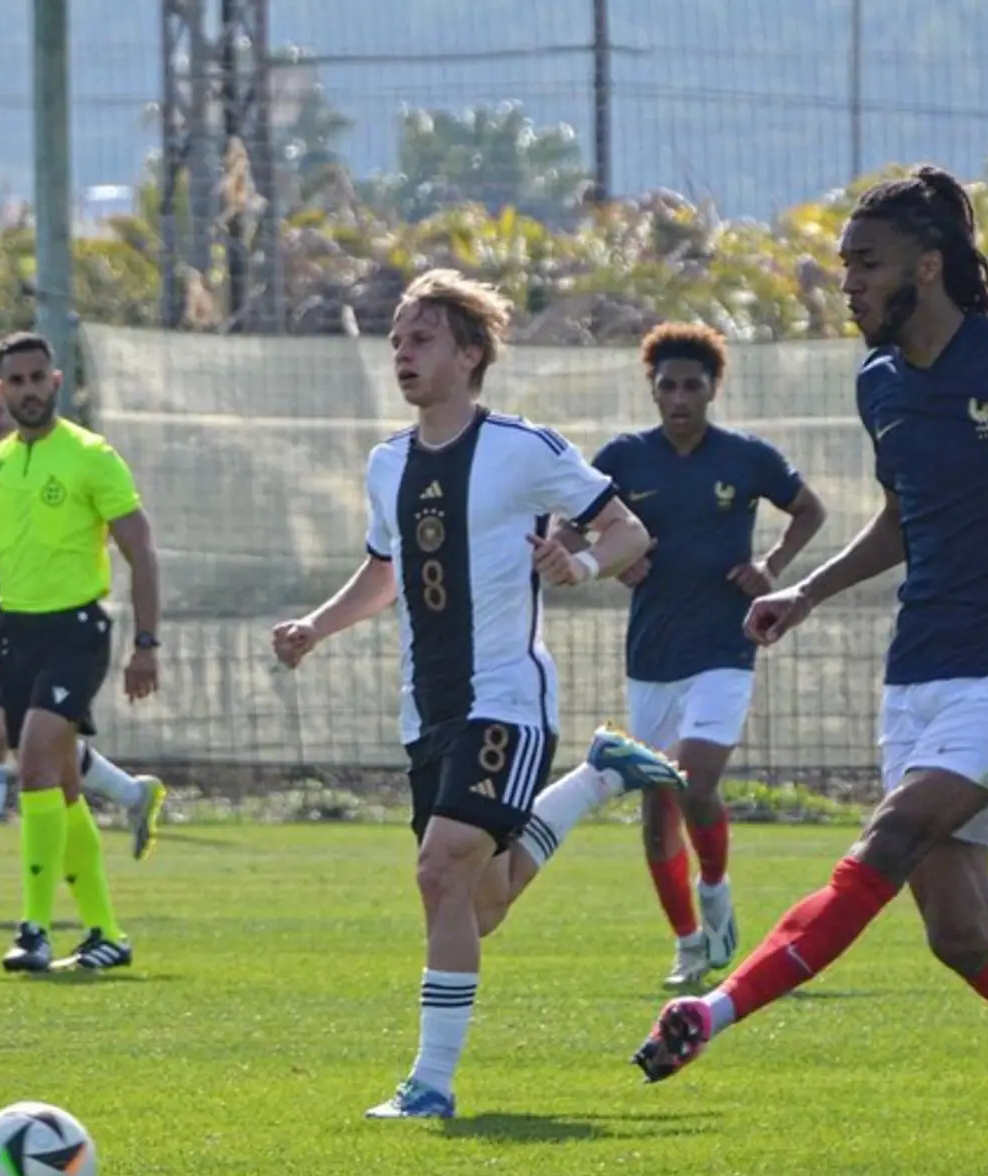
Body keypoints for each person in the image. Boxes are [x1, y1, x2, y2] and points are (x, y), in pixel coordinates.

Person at [629, 166, 988, 1176]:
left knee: (889, 836)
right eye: (844, 264)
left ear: (924, 267)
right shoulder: (880, 384)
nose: (844, 283)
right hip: (919, 668)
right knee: (959, 934)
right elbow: (900, 521)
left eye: (864, 264)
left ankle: (707, 1012)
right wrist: (803, 593)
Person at [269, 269, 690, 1120]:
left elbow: (628, 529)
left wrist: (580, 563)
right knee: (478, 901)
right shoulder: (387, 462)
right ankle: (599, 775)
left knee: (440, 866)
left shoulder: (521, 448)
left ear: (469, 354)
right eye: (396, 340)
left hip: (507, 699)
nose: (402, 353)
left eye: (420, 339)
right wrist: (317, 625)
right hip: (426, 709)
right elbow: (385, 571)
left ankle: (429, 1084)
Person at [566, 321, 827, 990]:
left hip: (725, 645)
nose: (679, 396)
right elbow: (570, 526)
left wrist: (770, 565)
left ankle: (715, 887)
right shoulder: (624, 458)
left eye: (692, 384)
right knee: (657, 808)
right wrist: (606, 559)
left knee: (695, 777)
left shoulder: (745, 458)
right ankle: (688, 943)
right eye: (668, 385)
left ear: (713, 388)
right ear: (652, 391)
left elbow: (808, 509)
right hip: (653, 652)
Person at [0, 340, 166, 923]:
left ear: (55, 381)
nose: (15, 393)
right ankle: (104, 915)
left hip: (70, 624)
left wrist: (147, 644)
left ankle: (6, 912)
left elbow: (140, 550)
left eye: (33, 378)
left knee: (11, 749)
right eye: (1, 384)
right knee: (48, 762)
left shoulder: (86, 455)